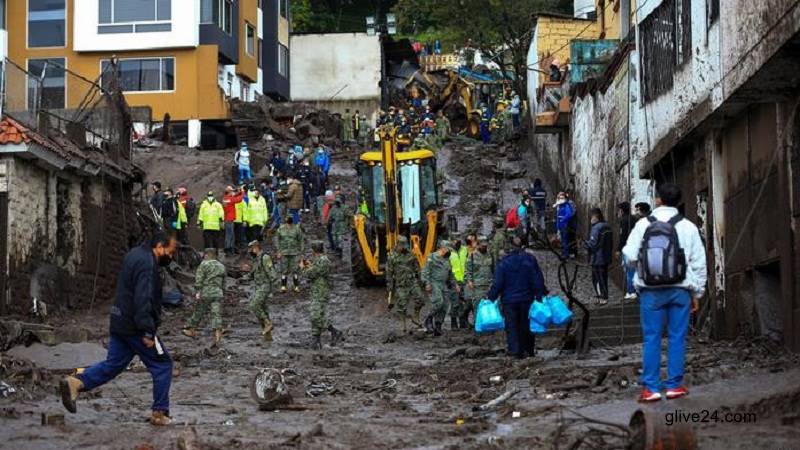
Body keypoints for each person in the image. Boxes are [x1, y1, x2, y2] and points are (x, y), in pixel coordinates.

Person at [59, 233, 177, 425]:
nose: (170, 257)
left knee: (113, 364)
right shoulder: (147, 263)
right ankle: (160, 412)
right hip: (136, 326)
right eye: (169, 252)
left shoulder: (134, 254)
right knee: (163, 364)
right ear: (159, 246)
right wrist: (147, 330)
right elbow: (143, 297)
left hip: (119, 321)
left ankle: (76, 382)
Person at [622, 183, 706, 402]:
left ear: (657, 199)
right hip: (680, 291)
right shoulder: (688, 226)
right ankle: (674, 386)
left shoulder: (643, 224)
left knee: (652, 338)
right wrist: (696, 293)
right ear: (678, 201)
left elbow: (629, 256)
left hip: (651, 292)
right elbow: (699, 263)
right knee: (678, 337)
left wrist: (643, 270)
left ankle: (651, 388)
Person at [487, 236, 547, 358]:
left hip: (509, 301)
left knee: (512, 326)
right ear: (522, 246)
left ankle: (514, 350)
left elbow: (498, 283)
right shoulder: (530, 260)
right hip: (527, 299)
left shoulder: (503, 262)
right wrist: (540, 294)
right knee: (526, 324)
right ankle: (528, 349)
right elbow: (537, 279)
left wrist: (491, 297)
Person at [302, 241, 343, 350]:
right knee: (317, 314)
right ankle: (316, 339)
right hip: (316, 290)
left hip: (321, 291)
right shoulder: (320, 260)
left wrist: (304, 268)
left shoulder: (323, 261)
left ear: (314, 250)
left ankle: (333, 332)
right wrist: (309, 266)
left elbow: (311, 274)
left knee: (316, 315)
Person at [182, 248, 226, 346]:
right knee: (216, 313)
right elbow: (224, 282)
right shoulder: (221, 266)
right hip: (218, 293)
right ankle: (217, 334)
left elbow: (199, 279)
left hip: (206, 292)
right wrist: (223, 292)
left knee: (199, 311)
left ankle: (191, 329)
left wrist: (198, 291)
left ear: (207, 255)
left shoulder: (204, 265)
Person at [386, 236, 425, 331]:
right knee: (402, 305)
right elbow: (389, 273)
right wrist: (390, 286)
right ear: (398, 245)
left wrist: (421, 279)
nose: (404, 248)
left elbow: (417, 268)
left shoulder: (410, 254)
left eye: (405, 246)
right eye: (402, 246)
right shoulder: (392, 257)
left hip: (412, 282)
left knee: (420, 299)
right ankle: (403, 325)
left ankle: (416, 316)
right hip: (401, 284)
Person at [421, 240, 456, 337]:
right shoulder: (432, 257)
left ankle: (438, 325)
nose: (449, 251)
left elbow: (450, 274)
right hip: (434, 283)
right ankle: (428, 319)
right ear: (443, 248)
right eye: (448, 249)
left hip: (443, 284)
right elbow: (425, 272)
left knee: (445, 305)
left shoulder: (446, 259)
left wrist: (455, 284)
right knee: (438, 302)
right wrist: (427, 283)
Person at [246, 240, 279, 342]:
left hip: (265, 286)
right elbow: (253, 273)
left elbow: (272, 272)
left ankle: (268, 324)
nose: (250, 251)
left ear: (256, 248)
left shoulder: (265, 258)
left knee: (253, 305)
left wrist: (274, 287)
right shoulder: (256, 259)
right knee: (263, 310)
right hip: (258, 286)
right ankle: (268, 336)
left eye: (251, 249)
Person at [584, 208, 613, 305]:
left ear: (596, 216)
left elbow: (592, 243)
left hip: (597, 258)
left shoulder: (596, 228)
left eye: (591, 217)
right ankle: (604, 296)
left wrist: (584, 244)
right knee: (604, 277)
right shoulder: (608, 227)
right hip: (606, 256)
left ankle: (602, 297)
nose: (590, 219)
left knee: (597, 279)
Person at [465, 236, 494, 327]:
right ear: (478, 245)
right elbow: (467, 270)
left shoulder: (490, 255)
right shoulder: (472, 255)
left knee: (490, 306)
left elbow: (493, 269)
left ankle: (489, 325)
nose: (484, 248)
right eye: (482, 246)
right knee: (478, 306)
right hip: (477, 286)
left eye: (485, 246)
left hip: (489, 284)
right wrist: (469, 281)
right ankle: (478, 325)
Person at [276, 215, 305, 292]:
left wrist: (301, 252)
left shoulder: (297, 229)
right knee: (284, 270)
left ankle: (296, 286)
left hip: (294, 252)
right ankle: (283, 286)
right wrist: (278, 251)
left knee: (295, 270)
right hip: (284, 252)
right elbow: (277, 240)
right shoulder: (281, 229)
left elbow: (301, 240)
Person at [616, 202, 637, 300]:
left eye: (619, 210)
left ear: (622, 210)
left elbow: (622, 236)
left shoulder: (624, 220)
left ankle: (631, 291)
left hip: (628, 248)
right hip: (636, 247)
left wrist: (618, 249)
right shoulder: (634, 219)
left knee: (629, 271)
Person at [448, 237, 469, 329]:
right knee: (455, 302)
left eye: (459, 241)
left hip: (464, 280)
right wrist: (452, 282)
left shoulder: (465, 249)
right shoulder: (448, 252)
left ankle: (462, 321)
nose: (458, 243)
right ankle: (453, 323)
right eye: (456, 241)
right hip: (453, 280)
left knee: (465, 301)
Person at [222, 186, 244, 255]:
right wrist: (243, 192)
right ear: (229, 192)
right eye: (232, 191)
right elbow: (238, 199)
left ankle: (230, 248)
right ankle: (228, 249)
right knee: (229, 235)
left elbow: (236, 197)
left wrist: (239, 192)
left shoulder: (226, 198)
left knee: (231, 235)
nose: (233, 192)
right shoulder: (228, 199)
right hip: (229, 220)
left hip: (229, 219)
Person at [555, 192, 575, 259]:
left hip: (565, 225)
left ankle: (565, 254)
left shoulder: (567, 205)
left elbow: (569, 214)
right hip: (562, 225)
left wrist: (563, 220)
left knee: (565, 240)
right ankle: (564, 252)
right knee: (563, 240)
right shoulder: (560, 205)